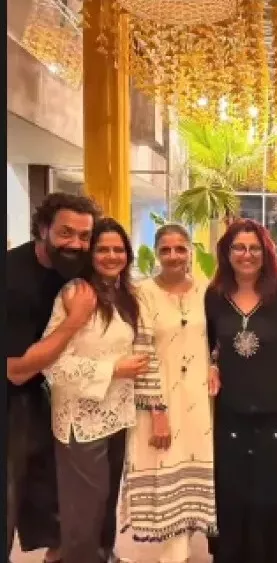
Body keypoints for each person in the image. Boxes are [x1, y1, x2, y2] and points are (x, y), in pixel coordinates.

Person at [38, 218, 161, 563]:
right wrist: (113, 370)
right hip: (81, 419)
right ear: (90, 254)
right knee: (84, 507)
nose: (111, 256)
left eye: (118, 249)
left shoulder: (124, 295)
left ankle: (104, 555)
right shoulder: (76, 293)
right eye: (102, 249)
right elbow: (52, 363)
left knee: (106, 501)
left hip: (117, 414)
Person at [205, 219, 277, 563]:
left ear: (266, 252)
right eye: (238, 247)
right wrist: (212, 364)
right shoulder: (215, 295)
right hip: (231, 410)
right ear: (226, 252)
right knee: (234, 487)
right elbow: (208, 344)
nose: (246, 255)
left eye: (254, 248)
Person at [6, 193, 100, 563]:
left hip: (48, 394)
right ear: (43, 229)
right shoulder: (13, 277)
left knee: (52, 500)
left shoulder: (74, 266)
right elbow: (16, 371)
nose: (75, 243)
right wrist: (74, 320)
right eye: (65, 233)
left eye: (84, 235)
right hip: (13, 395)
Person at [120, 224, 217, 562]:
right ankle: (172, 556)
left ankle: (182, 549)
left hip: (200, 400)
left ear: (191, 251)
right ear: (157, 253)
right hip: (160, 399)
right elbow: (140, 352)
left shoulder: (207, 290)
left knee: (193, 467)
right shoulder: (142, 293)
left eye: (180, 248)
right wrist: (157, 411)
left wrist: (216, 364)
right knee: (166, 467)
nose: (173, 256)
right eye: (165, 249)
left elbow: (217, 339)